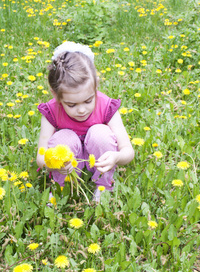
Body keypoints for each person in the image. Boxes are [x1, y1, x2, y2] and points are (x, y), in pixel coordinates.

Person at [36, 41, 135, 202]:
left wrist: (116, 157)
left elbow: (128, 151)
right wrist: (55, 165)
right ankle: (62, 189)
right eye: (72, 104)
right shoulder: (51, 111)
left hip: (98, 159)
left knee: (100, 133)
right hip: (67, 168)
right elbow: (41, 157)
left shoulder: (106, 106)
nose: (81, 110)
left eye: (88, 100)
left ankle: (104, 187)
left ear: (96, 85)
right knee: (64, 138)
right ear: (55, 94)